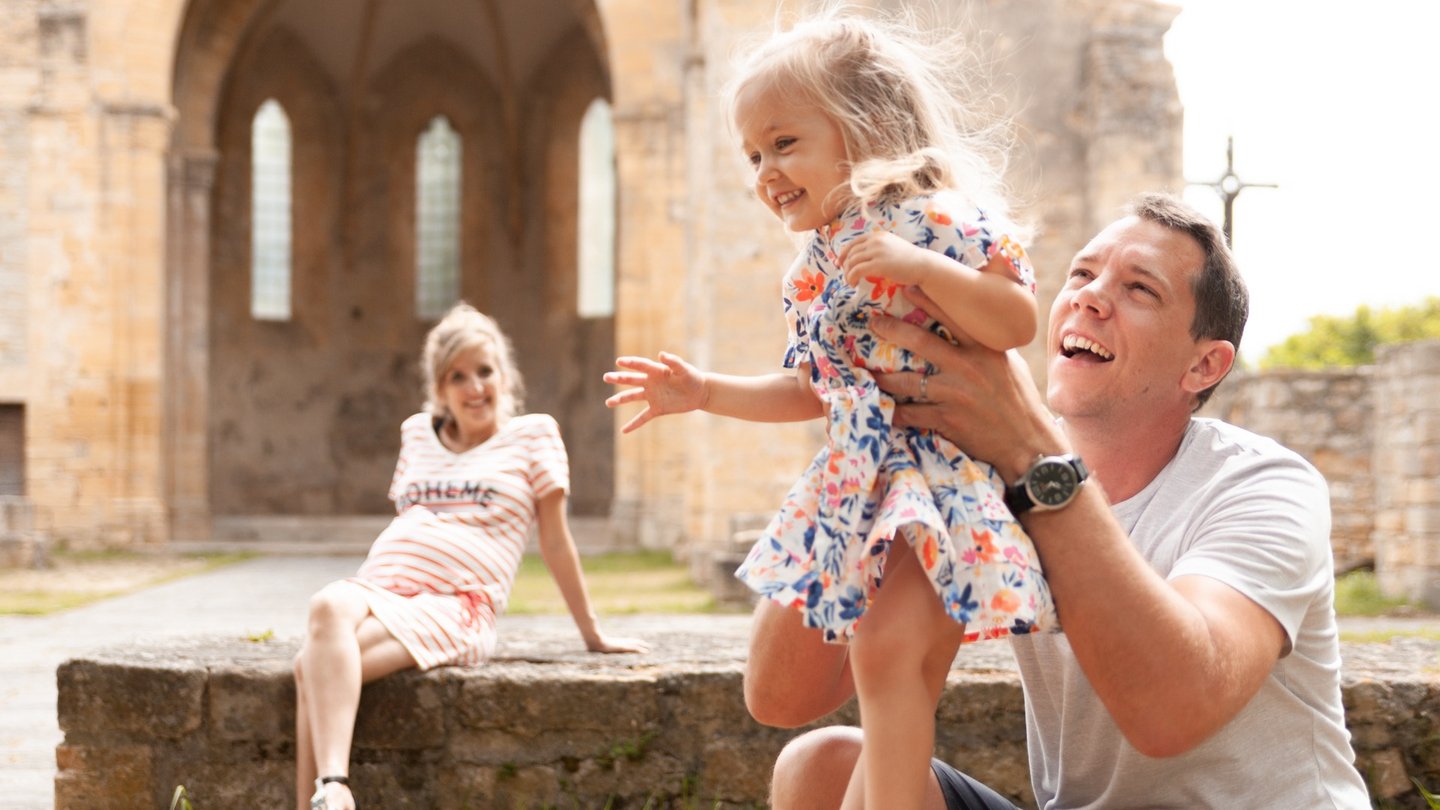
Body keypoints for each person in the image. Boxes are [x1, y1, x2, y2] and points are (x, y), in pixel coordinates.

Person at [751, 193, 1373, 809]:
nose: (1089, 296)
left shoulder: (1265, 485)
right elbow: (784, 696)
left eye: (1139, 290)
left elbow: (1172, 712)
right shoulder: (981, 469)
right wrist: (863, 444)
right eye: (1082, 272)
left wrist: (1033, 455)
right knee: (822, 767)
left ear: (1203, 366)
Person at [605, 12, 1056, 808]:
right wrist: (705, 392)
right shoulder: (814, 266)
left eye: (783, 144)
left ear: (868, 129)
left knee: (889, 657)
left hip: (938, 476)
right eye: (751, 154)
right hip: (859, 486)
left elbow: (1015, 322)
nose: (764, 171)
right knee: (880, 662)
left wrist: (920, 268)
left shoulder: (933, 220)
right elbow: (819, 387)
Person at [294, 303, 648, 810]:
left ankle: (321, 793)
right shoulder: (416, 433)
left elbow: (554, 541)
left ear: (504, 376)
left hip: (459, 603)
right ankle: (332, 790)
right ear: (440, 388)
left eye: (485, 371)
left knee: (312, 664)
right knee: (326, 611)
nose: (475, 386)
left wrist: (592, 633)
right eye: (457, 376)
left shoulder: (534, 436)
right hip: (381, 588)